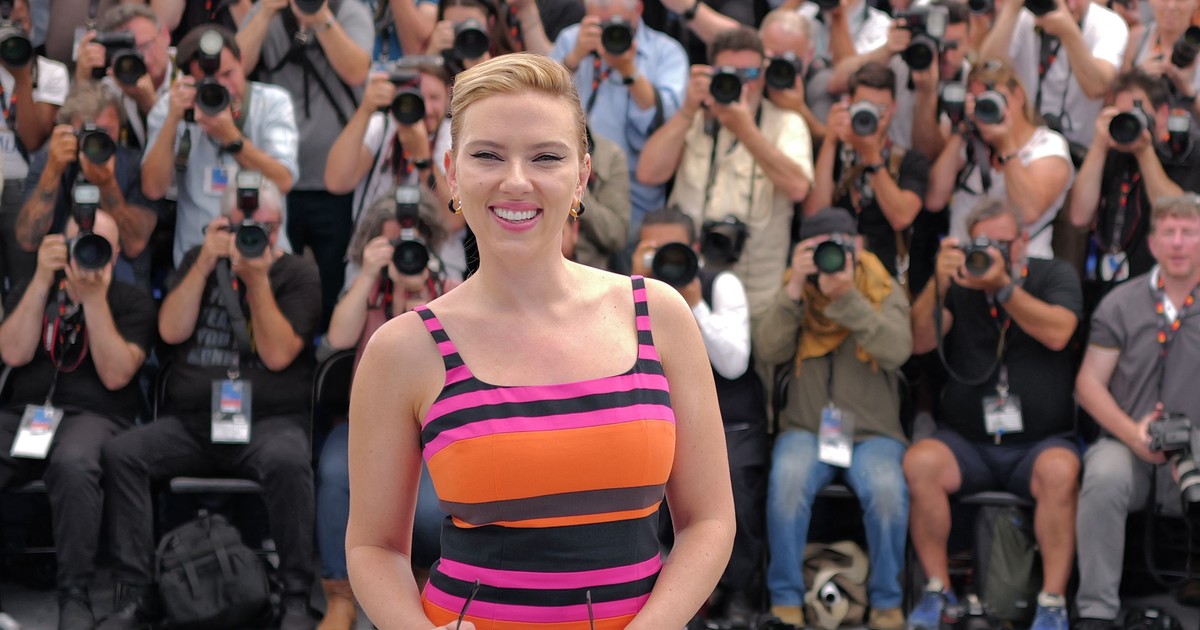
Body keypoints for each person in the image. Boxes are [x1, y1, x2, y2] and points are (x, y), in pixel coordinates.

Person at [345, 52, 735, 629]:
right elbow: (373, 546)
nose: (516, 181)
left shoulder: (658, 314)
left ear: (581, 175)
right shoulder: (403, 348)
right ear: (452, 172)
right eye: (487, 155)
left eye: (546, 157)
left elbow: (709, 520)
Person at [99, 178, 321, 630]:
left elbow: (278, 354)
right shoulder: (196, 261)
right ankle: (138, 595)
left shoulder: (297, 273)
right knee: (123, 454)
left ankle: (296, 596)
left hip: (269, 423)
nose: (254, 237)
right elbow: (170, 331)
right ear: (221, 225)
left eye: (265, 228)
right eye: (243, 227)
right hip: (193, 422)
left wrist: (256, 281)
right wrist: (204, 262)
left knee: (289, 461)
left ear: (280, 227)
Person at [906, 199, 1082, 630]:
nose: (994, 253)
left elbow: (1059, 332)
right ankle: (937, 591)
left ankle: (1052, 602)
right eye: (985, 244)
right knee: (920, 463)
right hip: (968, 442)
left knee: (1061, 471)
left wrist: (1004, 288)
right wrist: (938, 284)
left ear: (1023, 241)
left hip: (1039, 443)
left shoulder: (1053, 275)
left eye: (1004, 243)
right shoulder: (960, 282)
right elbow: (919, 341)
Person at [757, 207, 911, 630]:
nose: (831, 256)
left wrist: (848, 299)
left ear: (858, 246)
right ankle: (785, 600)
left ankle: (887, 602)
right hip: (805, 430)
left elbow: (897, 350)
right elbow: (768, 349)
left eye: (840, 246)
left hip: (874, 433)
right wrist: (794, 287)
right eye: (818, 248)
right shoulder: (796, 290)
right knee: (787, 485)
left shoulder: (882, 287)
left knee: (887, 493)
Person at [0, 211, 154, 630]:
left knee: (73, 464)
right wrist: (40, 280)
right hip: (26, 413)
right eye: (79, 243)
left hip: (97, 414)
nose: (88, 253)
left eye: (98, 245)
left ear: (116, 254)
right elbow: (12, 353)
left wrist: (94, 301)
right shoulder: (36, 286)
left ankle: (75, 593)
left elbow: (117, 374)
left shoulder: (132, 301)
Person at [318, 192, 454, 630]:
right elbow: (337, 339)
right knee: (334, 475)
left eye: (411, 243)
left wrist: (428, 294)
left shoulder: (448, 289)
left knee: (430, 510)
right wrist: (368, 274)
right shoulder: (370, 287)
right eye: (392, 243)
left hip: (433, 428)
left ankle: (423, 589)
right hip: (367, 425)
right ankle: (339, 595)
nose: (403, 253)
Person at [630, 205, 768, 625]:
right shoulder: (624, 291)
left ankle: (738, 590)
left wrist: (694, 303)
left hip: (730, 421)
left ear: (694, 248)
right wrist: (637, 280)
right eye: (653, 249)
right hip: (658, 421)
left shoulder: (720, 284)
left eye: (673, 249)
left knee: (733, 488)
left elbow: (733, 363)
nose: (665, 259)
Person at [1074, 194, 1200, 630]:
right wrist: (1133, 434)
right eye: (1169, 232)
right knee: (1103, 474)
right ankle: (1096, 611)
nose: (1178, 242)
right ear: (1152, 243)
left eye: (1189, 232)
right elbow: (1088, 384)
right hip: (1131, 443)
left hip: (1196, 448)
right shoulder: (1120, 303)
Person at [637, 27, 813, 324]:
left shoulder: (786, 123)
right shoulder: (692, 119)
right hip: (687, 283)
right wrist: (687, 110)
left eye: (750, 74)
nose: (741, 84)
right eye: (729, 74)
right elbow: (648, 173)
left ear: (764, 75)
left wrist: (745, 130)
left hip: (757, 293)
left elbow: (798, 188)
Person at [238, 0, 373, 330]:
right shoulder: (267, 11)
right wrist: (266, 11)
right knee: (282, 280)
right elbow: (236, 66)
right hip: (276, 182)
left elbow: (357, 70)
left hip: (333, 185)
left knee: (332, 281)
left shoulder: (348, 10)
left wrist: (320, 16)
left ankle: (327, 349)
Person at [141, 25, 299, 269]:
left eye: (228, 74)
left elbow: (283, 180)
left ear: (242, 60)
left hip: (267, 257)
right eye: (211, 82)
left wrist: (232, 139)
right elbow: (153, 189)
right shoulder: (170, 108)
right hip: (198, 261)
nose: (224, 87)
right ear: (189, 80)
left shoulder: (272, 103)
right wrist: (173, 120)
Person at [551, 0, 689, 239]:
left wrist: (628, 69)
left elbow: (667, 120)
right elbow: (541, 98)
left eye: (618, 23)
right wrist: (573, 58)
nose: (609, 31)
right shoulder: (570, 39)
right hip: (572, 194)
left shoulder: (666, 52)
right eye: (600, 23)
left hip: (639, 200)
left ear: (638, 11)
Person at [925, 57, 1074, 259]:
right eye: (978, 101)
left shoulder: (1048, 145)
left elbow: (1028, 212)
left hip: (1020, 267)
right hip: (962, 263)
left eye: (995, 99)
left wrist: (1006, 144)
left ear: (1019, 95)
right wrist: (961, 130)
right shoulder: (970, 143)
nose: (986, 108)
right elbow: (934, 200)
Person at [1069, 71, 1200, 299]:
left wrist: (1144, 151)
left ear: (1162, 114)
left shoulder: (1186, 153)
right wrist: (1098, 146)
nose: (1130, 122)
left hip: (1159, 286)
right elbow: (1079, 216)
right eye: (1123, 115)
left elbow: (1175, 212)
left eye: (1137, 113)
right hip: (1105, 286)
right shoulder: (1110, 153)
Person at [16, 83, 159, 290]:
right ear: (70, 129)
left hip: (121, 286)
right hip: (61, 281)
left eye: (106, 131)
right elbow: (28, 239)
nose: (97, 141)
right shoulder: (51, 161)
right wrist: (53, 172)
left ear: (120, 127)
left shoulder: (133, 164)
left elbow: (134, 245)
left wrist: (107, 184)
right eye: (89, 131)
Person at [803, 62, 928, 282]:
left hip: (884, 281)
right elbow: (814, 214)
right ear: (848, 104)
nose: (873, 117)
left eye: (881, 109)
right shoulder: (830, 153)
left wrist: (872, 157)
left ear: (894, 107)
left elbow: (901, 217)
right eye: (865, 106)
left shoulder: (911, 162)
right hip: (829, 271)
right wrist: (830, 141)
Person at [979, 0, 1127, 150]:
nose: (1071, 6)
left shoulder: (1109, 24)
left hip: (1080, 148)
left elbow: (1097, 87)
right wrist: (1011, 9)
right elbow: (987, 70)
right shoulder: (1025, 17)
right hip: (1026, 144)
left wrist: (1068, 32)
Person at [0, 0, 69, 298]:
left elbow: (33, 140)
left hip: (25, 185)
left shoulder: (51, 72)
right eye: (6, 23)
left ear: (32, 23)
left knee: (23, 285)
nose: (14, 30)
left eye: (20, 22)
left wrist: (22, 77)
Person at [76, 4, 178, 150]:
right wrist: (82, 78)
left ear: (165, 35)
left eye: (146, 45)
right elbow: (83, 138)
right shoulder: (111, 85)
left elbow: (188, 148)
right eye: (132, 51)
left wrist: (150, 104)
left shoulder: (189, 70)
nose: (144, 57)